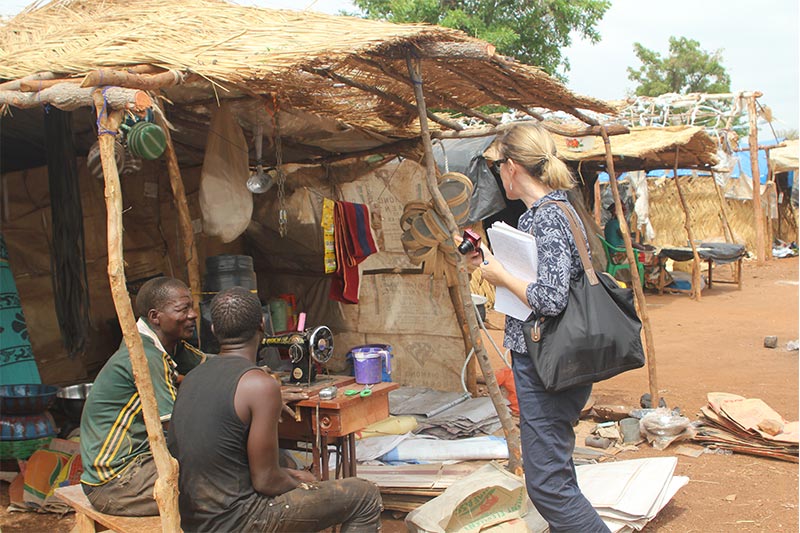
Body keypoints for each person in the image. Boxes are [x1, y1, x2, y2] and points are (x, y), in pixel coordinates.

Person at [472, 122, 610, 532]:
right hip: (554, 357)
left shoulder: (546, 218)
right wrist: (486, 261)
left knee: (548, 486)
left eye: (498, 166)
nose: (498, 175)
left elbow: (549, 298)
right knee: (558, 472)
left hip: (546, 361)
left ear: (513, 167)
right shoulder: (558, 210)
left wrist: (500, 277)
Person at [167, 286, 382, 532]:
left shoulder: (193, 377)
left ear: (214, 330)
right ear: (262, 324)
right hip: (236, 521)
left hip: (195, 521)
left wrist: (288, 473)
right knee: (364, 495)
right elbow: (266, 481)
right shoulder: (259, 385)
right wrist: (299, 479)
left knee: (287, 464)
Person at [80, 276, 205, 516]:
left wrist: (259, 376)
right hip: (115, 482)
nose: (193, 315)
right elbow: (174, 427)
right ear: (155, 316)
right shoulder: (145, 356)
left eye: (191, 307)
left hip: (135, 467)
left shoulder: (167, 344)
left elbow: (210, 364)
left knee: (225, 475)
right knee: (223, 482)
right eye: (182, 309)